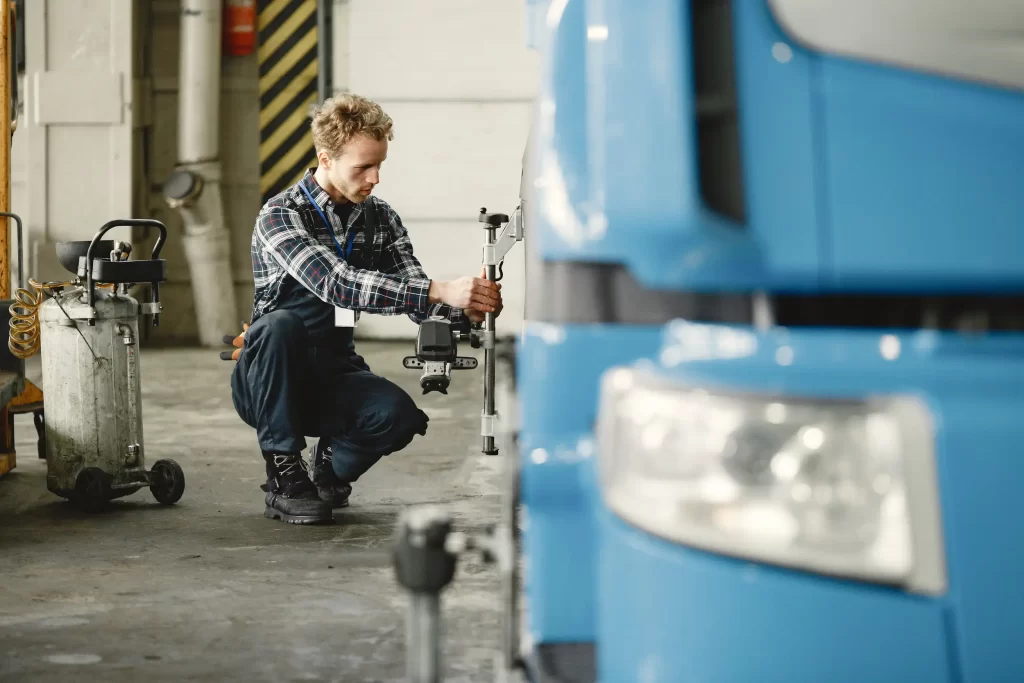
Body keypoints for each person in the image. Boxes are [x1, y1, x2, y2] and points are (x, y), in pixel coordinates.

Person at [226, 93, 503, 525]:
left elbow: (415, 292)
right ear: (326, 159)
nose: (375, 178)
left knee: (399, 416)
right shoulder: (281, 215)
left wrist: (463, 309)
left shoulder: (380, 218)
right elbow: (335, 282)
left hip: (334, 368)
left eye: (380, 165)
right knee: (280, 326)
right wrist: (441, 290)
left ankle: (327, 469)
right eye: (363, 167)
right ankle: (283, 475)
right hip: (270, 378)